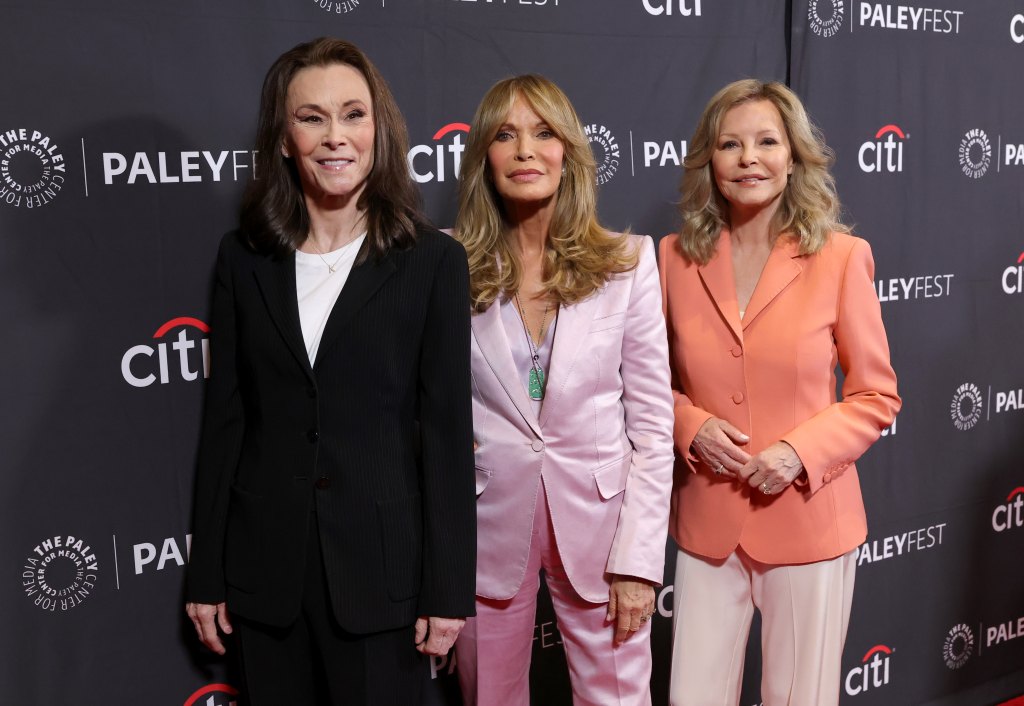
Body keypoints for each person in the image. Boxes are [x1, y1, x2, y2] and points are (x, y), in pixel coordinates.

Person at [183, 37, 475, 705]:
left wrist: (448, 591)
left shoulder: (431, 263)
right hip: (265, 576)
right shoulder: (243, 260)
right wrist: (206, 574)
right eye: (311, 117)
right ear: (284, 138)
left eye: (353, 114)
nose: (335, 136)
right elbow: (226, 421)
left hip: (383, 580)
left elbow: (447, 436)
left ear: (380, 129)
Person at [659, 79, 901, 706]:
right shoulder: (671, 260)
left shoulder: (842, 258)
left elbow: (876, 396)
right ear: (708, 161)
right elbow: (649, 381)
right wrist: (690, 426)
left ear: (794, 156)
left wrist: (798, 452)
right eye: (730, 144)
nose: (749, 159)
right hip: (707, 520)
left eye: (767, 142)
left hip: (808, 519)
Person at [451, 74, 675, 706]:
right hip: (483, 528)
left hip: (604, 532)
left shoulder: (627, 263)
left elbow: (656, 430)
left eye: (544, 132)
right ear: (484, 159)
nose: (525, 150)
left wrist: (638, 560)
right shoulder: (445, 267)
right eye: (505, 134)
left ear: (569, 151)